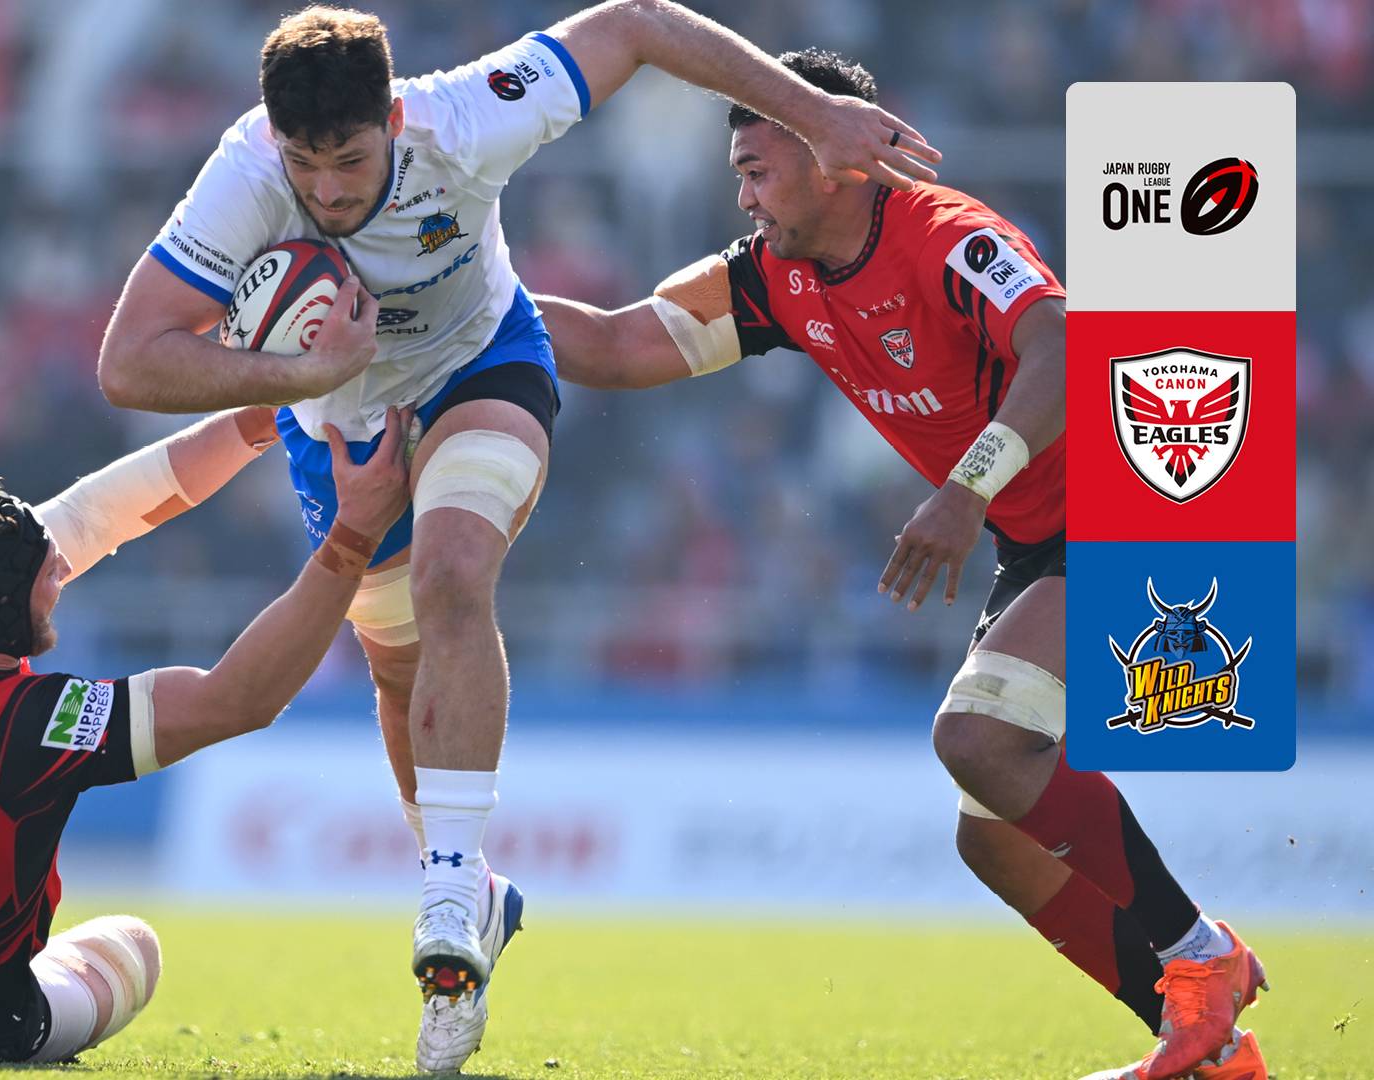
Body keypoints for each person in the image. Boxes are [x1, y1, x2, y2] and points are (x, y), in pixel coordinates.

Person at [96, 4, 940, 1070]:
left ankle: (449, 889)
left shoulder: (466, 117)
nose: (328, 190)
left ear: (393, 120)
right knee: (398, 675)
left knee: (455, 575)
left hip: (483, 364)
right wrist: (300, 375)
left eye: (350, 159)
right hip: (341, 421)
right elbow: (129, 363)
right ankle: (475, 891)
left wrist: (814, 112)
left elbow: (636, 23)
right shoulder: (244, 176)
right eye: (305, 164)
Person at [535, 48, 1268, 1080]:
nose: (744, 199)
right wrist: (457, 316)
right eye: (739, 176)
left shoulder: (944, 234)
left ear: (834, 158)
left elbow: (1065, 344)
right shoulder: (776, 276)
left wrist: (965, 489)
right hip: (1042, 537)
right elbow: (617, 344)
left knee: (978, 738)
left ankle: (1202, 954)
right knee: (994, 838)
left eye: (757, 172)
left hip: (1144, 495)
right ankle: (1207, 1052)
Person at [0, 404, 412, 1062]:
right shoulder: (30, 727)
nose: (63, 573)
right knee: (134, 948)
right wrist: (353, 535)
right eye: (49, 575)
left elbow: (95, 514)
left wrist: (264, 418)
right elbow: (238, 699)